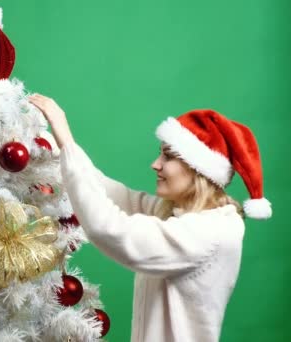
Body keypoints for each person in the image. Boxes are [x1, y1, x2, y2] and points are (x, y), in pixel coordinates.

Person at [29, 94, 271, 342]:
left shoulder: (209, 233)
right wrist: (52, 143)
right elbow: (111, 194)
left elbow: (110, 229)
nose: (156, 164)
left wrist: (66, 139)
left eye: (168, 155)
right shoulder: (178, 215)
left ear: (198, 169)